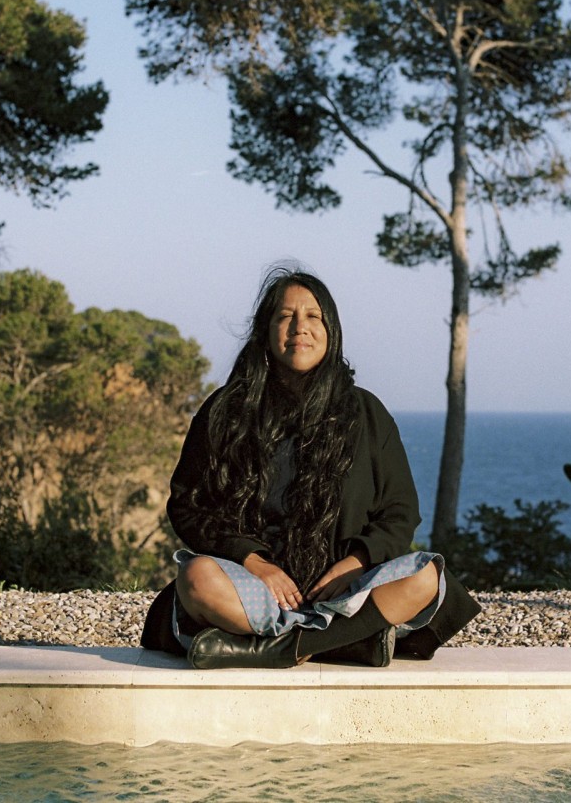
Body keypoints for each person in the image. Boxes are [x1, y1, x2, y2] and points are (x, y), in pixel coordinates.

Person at [139, 266, 481, 668]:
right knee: (196, 578)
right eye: (285, 316)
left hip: (342, 591)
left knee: (426, 578)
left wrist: (353, 565)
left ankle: (281, 648)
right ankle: (348, 643)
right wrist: (254, 562)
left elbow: (400, 514)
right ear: (265, 331)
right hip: (252, 590)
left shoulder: (367, 414)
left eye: (313, 316)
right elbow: (187, 506)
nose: (299, 327)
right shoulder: (224, 412)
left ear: (330, 331)